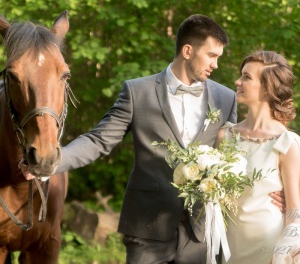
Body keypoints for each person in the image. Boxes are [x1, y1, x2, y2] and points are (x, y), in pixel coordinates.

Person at [20, 15, 285, 263]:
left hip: (202, 232)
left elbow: (237, 154)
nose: (216, 64)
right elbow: (99, 141)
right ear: (188, 51)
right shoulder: (137, 92)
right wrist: (51, 162)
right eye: (212, 55)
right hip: (147, 228)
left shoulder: (225, 97)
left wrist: (269, 191)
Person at [214, 50, 300, 264]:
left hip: (268, 249)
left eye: (246, 77)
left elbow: (294, 212)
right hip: (228, 245)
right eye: (241, 75)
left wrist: (285, 254)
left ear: (266, 88)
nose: (237, 81)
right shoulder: (225, 136)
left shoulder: (286, 143)